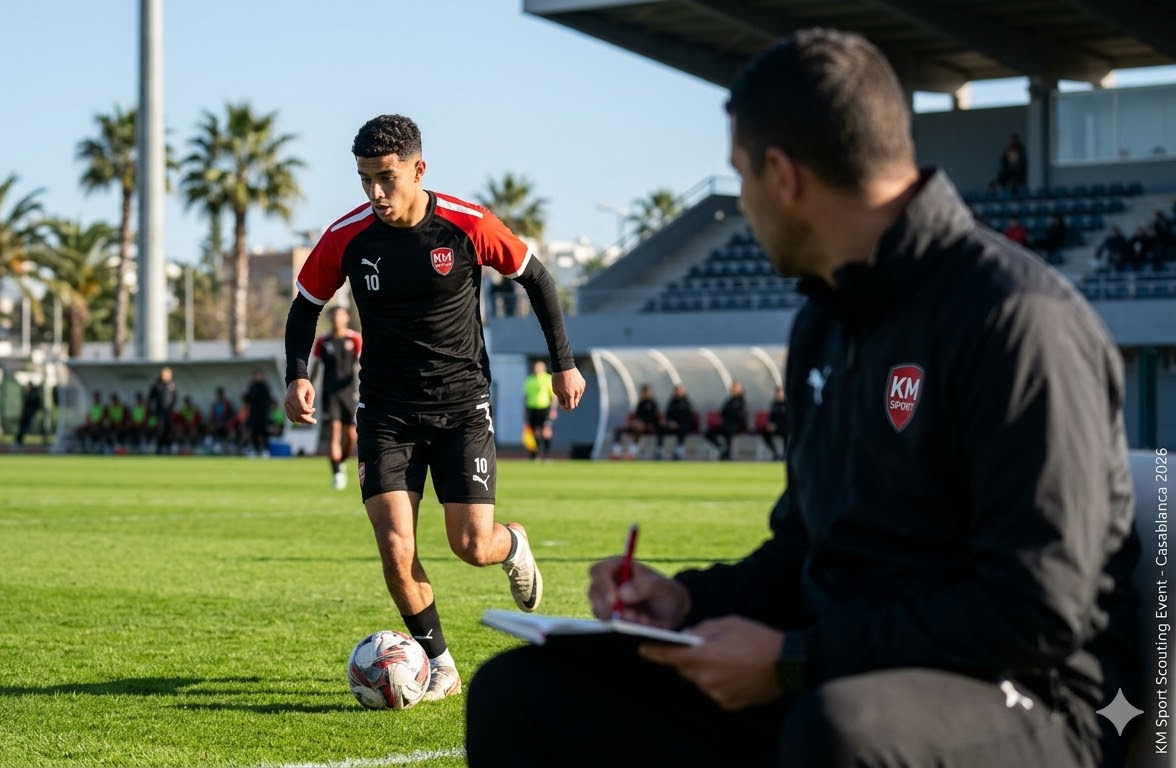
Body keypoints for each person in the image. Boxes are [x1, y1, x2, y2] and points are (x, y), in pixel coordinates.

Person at [466, 29, 1136, 768]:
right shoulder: (826, 320)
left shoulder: (1016, 321)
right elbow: (807, 553)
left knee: (837, 734)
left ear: (782, 177)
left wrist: (796, 658)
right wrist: (689, 605)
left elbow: (1037, 606)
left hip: (1032, 698)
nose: (743, 204)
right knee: (524, 694)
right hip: (836, 668)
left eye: (741, 177)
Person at [283, 114, 585, 703]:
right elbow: (305, 305)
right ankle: (440, 663)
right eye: (365, 179)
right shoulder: (348, 235)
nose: (374, 193)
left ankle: (513, 544)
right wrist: (297, 375)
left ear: (419, 170)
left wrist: (563, 363)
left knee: (471, 546)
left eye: (386, 178)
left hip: (462, 407)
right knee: (396, 546)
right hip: (385, 411)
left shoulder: (466, 225)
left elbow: (538, 279)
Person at [310, 305, 362, 488]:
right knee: (334, 432)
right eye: (333, 316)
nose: (337, 319)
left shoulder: (354, 339)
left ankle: (341, 462)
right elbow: (316, 366)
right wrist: (308, 386)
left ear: (346, 318)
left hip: (351, 392)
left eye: (340, 315)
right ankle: (337, 473)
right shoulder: (323, 341)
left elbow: (363, 363)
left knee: (351, 436)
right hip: (330, 393)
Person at [610, 384, 660, 459]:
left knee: (638, 430)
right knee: (618, 430)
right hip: (636, 424)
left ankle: (632, 453)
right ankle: (616, 452)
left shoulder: (653, 404)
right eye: (644, 392)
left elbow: (655, 418)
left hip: (648, 426)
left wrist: (644, 423)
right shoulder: (640, 403)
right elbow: (636, 416)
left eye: (647, 392)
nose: (645, 393)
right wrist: (632, 423)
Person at [704, 381, 748, 460]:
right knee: (708, 433)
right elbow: (723, 412)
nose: (733, 389)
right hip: (726, 425)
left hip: (736, 426)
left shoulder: (742, 401)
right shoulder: (730, 400)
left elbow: (740, 415)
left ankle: (727, 454)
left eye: (735, 388)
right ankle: (722, 448)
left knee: (729, 432)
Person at [521, 360, 555, 461]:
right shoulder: (529, 380)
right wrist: (525, 410)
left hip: (544, 408)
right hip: (532, 408)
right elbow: (526, 396)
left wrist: (553, 410)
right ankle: (535, 454)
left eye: (540, 367)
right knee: (535, 432)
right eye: (536, 367)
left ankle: (547, 455)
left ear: (544, 368)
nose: (538, 369)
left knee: (546, 431)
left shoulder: (548, 378)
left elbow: (553, 396)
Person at [659, 383, 697, 461]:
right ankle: (660, 450)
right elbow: (668, 414)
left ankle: (679, 451)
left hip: (683, 425)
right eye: (676, 391)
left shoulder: (687, 403)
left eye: (679, 390)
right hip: (672, 425)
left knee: (682, 429)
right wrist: (669, 422)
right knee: (661, 428)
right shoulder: (672, 402)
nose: (677, 392)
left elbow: (689, 416)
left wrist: (678, 423)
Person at [242, 370, 274, 457]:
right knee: (254, 432)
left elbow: (267, 400)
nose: (257, 377)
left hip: (263, 414)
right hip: (253, 413)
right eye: (256, 375)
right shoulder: (251, 386)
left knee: (264, 432)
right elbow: (248, 399)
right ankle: (255, 449)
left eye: (259, 375)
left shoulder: (265, 387)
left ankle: (265, 450)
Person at [146, 367, 177, 455]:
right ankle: (159, 447)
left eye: (169, 375)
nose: (168, 376)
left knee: (170, 430)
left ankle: (168, 447)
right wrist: (151, 410)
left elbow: (175, 398)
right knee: (160, 430)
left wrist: (173, 408)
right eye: (166, 375)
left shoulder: (172, 385)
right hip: (159, 412)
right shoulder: (157, 385)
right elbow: (150, 398)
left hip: (169, 412)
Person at [760, 386, 788, 460]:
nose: (779, 395)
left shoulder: (787, 404)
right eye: (778, 393)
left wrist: (777, 426)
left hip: (785, 427)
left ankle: (785, 455)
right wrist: (770, 425)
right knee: (765, 433)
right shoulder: (774, 404)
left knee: (786, 435)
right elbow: (771, 417)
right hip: (774, 428)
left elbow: (788, 419)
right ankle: (775, 451)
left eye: (781, 393)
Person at [206, 386, 237, 455]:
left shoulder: (228, 404)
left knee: (232, 429)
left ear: (222, 394)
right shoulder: (214, 404)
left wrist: (225, 422)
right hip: (216, 423)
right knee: (209, 427)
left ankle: (230, 445)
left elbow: (232, 415)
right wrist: (214, 423)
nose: (219, 396)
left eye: (220, 394)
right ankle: (210, 447)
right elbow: (211, 416)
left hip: (225, 423)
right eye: (217, 394)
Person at [14, 382, 45, 448]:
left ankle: (19, 442)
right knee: (22, 428)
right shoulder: (30, 394)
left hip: (28, 414)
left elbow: (36, 405)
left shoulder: (33, 395)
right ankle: (18, 442)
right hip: (26, 414)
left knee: (24, 428)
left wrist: (33, 412)